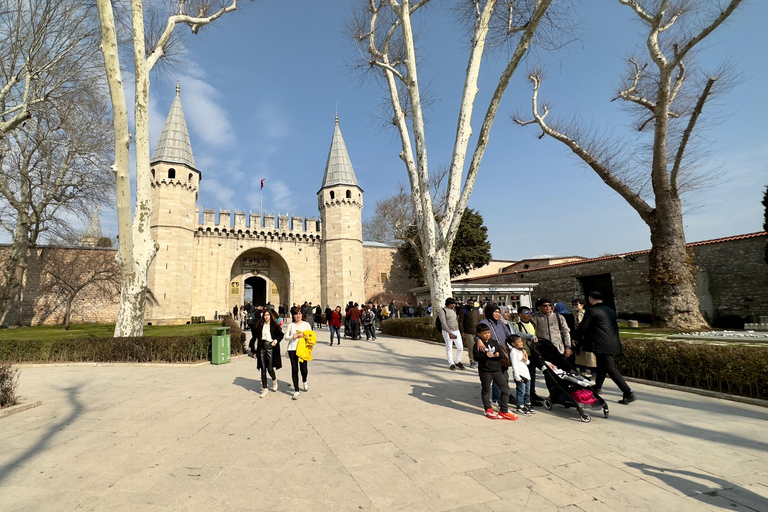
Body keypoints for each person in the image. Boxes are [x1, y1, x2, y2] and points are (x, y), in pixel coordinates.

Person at [574, 291, 636, 404]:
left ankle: (628, 392)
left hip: (600, 343)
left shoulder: (592, 311)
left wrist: (575, 338)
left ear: (591, 299)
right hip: (611, 342)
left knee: (610, 368)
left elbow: (584, 326)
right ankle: (597, 387)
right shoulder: (610, 310)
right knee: (602, 366)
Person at [473, 324, 517, 421]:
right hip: (485, 371)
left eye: (488, 333)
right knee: (486, 390)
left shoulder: (494, 342)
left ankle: (504, 410)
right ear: (479, 334)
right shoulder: (478, 345)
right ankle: (488, 409)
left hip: (497, 370)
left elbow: (501, 354)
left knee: (505, 389)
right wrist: (485, 356)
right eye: (484, 333)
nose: (487, 335)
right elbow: (476, 357)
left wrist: (497, 354)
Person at [476, 303, 513, 407]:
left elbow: (508, 335)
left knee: (503, 376)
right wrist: (479, 340)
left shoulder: (500, 323)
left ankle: (502, 397)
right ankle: (497, 399)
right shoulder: (484, 322)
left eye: (498, 312)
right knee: (498, 376)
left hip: (502, 352)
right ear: (489, 312)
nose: (497, 314)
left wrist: (517, 343)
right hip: (491, 353)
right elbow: (478, 334)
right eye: (495, 312)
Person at [251, 310, 284, 398]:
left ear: (270, 316)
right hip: (261, 347)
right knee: (263, 368)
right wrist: (254, 350)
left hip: (270, 347)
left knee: (270, 368)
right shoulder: (260, 325)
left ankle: (274, 380)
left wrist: (276, 341)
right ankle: (265, 388)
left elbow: (281, 335)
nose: (266, 317)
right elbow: (254, 337)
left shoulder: (274, 325)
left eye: (268, 315)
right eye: (265, 315)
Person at [516, 306, 544, 406]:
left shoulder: (532, 324)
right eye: (526, 312)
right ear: (520, 314)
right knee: (525, 377)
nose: (529, 314)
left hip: (533, 354)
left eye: (530, 312)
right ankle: (525, 397)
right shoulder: (517, 326)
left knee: (532, 375)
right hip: (524, 355)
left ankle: (532, 393)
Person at [285, 306, 312, 399]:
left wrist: (303, 336)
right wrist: (294, 336)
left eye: (299, 313)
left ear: (302, 315)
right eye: (296, 314)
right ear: (293, 315)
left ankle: (304, 380)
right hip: (292, 349)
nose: (298, 316)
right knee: (294, 368)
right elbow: (286, 337)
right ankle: (296, 390)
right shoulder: (291, 325)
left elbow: (311, 336)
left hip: (303, 349)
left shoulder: (306, 324)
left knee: (303, 368)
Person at [509, 334, 535, 415]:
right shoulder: (513, 352)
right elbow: (514, 365)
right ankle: (520, 406)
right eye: (519, 342)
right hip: (520, 375)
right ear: (513, 344)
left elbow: (528, 363)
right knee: (521, 392)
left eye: (521, 341)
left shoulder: (521, 351)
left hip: (526, 374)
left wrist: (525, 359)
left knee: (527, 391)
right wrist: (517, 376)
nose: (521, 343)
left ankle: (527, 404)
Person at [438, 298, 465, 370]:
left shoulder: (453, 310)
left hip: (456, 330)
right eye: (453, 304)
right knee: (449, 347)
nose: (454, 305)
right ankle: (451, 363)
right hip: (447, 331)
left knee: (460, 347)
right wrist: (449, 332)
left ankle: (458, 361)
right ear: (449, 304)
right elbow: (443, 323)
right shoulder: (442, 311)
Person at [571, 298, 596, 377]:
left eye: (576, 304)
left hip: (582, 337)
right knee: (589, 356)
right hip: (588, 337)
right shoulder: (587, 313)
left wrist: (576, 337)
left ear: (582, 305)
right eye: (574, 305)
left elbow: (580, 326)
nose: (575, 306)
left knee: (582, 355)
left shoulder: (580, 314)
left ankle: (584, 371)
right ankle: (593, 372)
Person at [459, 298, 481, 369]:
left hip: (477, 332)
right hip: (468, 332)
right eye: (469, 303)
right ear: (467, 303)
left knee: (478, 347)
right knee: (471, 347)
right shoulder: (463, 310)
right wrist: (462, 331)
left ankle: (477, 360)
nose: (471, 304)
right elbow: (460, 322)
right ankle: (472, 361)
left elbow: (478, 320)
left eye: (472, 303)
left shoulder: (476, 311)